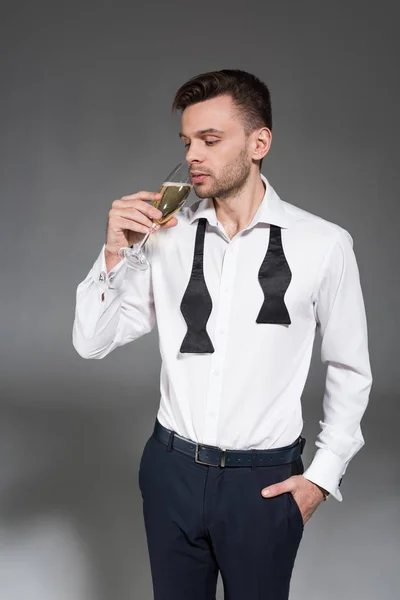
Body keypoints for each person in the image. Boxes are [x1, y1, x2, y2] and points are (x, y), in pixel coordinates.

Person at [72, 69, 373, 600]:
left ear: (260, 143)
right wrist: (115, 252)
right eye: (188, 142)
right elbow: (92, 342)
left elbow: (350, 368)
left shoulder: (324, 244)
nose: (193, 156)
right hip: (171, 472)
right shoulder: (162, 237)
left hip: (263, 484)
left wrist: (323, 477)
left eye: (211, 141)